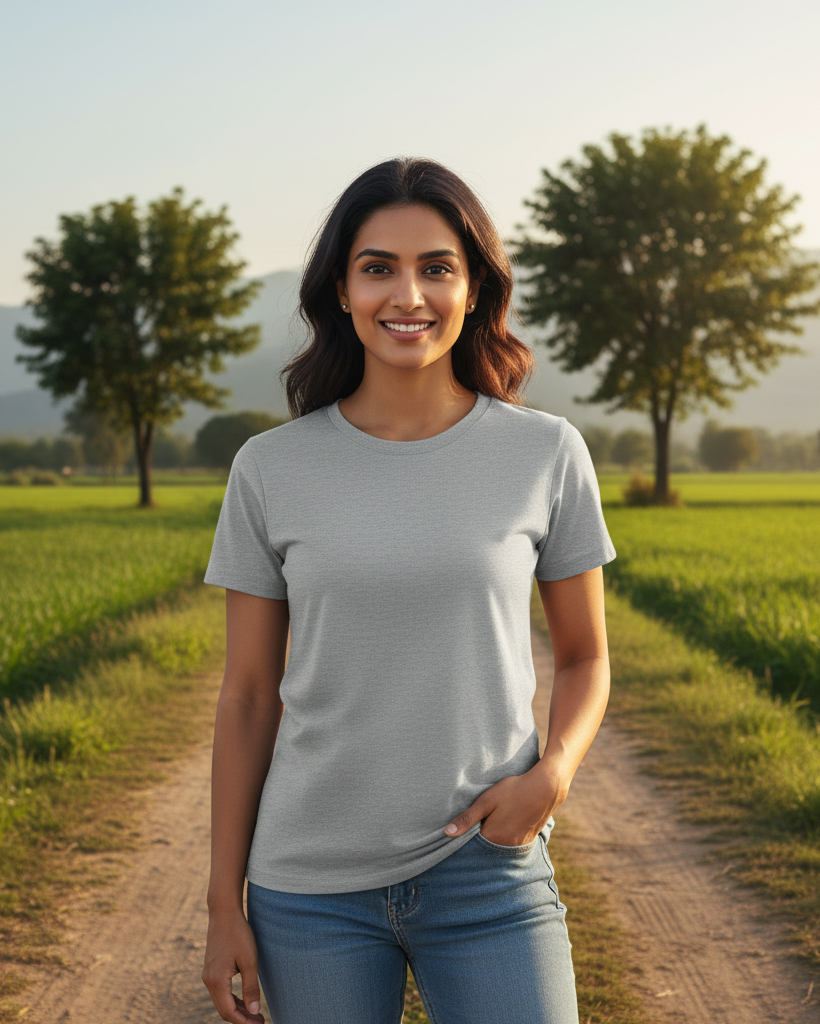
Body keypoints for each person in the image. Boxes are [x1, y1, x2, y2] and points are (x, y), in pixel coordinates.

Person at [201, 156, 616, 1024]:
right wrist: (220, 903)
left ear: (474, 290)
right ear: (342, 291)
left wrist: (555, 774)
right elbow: (245, 698)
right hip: (308, 890)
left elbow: (584, 657)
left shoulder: (545, 454)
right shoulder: (270, 470)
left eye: (437, 268)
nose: (409, 295)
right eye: (378, 267)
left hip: (490, 872)